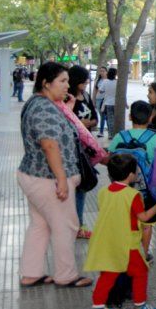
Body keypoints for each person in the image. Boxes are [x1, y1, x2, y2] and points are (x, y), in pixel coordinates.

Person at [17, 62, 93, 288]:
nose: (67, 86)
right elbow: (49, 145)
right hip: (48, 179)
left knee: (40, 225)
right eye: (62, 81)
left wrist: (66, 108)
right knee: (65, 225)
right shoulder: (44, 109)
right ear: (45, 83)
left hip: (35, 175)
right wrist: (61, 179)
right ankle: (66, 275)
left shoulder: (41, 104)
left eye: (67, 81)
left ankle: (31, 273)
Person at [84, 154, 156, 309]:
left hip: (108, 241)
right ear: (131, 175)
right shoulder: (132, 194)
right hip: (127, 244)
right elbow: (143, 217)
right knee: (141, 272)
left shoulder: (104, 191)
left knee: (108, 274)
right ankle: (140, 308)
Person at [109, 101, 156, 258]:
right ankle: (143, 253)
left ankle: (124, 251)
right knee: (146, 224)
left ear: (130, 116)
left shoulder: (120, 136)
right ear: (151, 117)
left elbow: (111, 159)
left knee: (125, 220)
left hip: (122, 189)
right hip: (146, 190)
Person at [68, 65, 97, 239]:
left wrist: (88, 123)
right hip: (72, 148)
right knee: (75, 186)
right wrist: (80, 125)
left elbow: (95, 117)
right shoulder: (67, 100)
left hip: (86, 149)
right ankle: (74, 224)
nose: (86, 84)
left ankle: (78, 223)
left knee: (82, 185)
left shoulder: (85, 96)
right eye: (83, 82)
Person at [100, 68, 117, 139]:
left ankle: (110, 134)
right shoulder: (117, 82)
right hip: (116, 103)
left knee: (110, 119)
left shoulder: (105, 81)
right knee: (115, 119)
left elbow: (101, 90)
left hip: (108, 103)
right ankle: (115, 133)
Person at [94, 67, 108, 137]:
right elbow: (95, 90)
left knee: (103, 116)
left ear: (106, 72)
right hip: (98, 99)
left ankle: (102, 131)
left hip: (105, 99)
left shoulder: (108, 80)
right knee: (102, 115)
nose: (102, 72)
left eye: (103, 71)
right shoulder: (98, 80)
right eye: (100, 71)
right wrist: (94, 99)